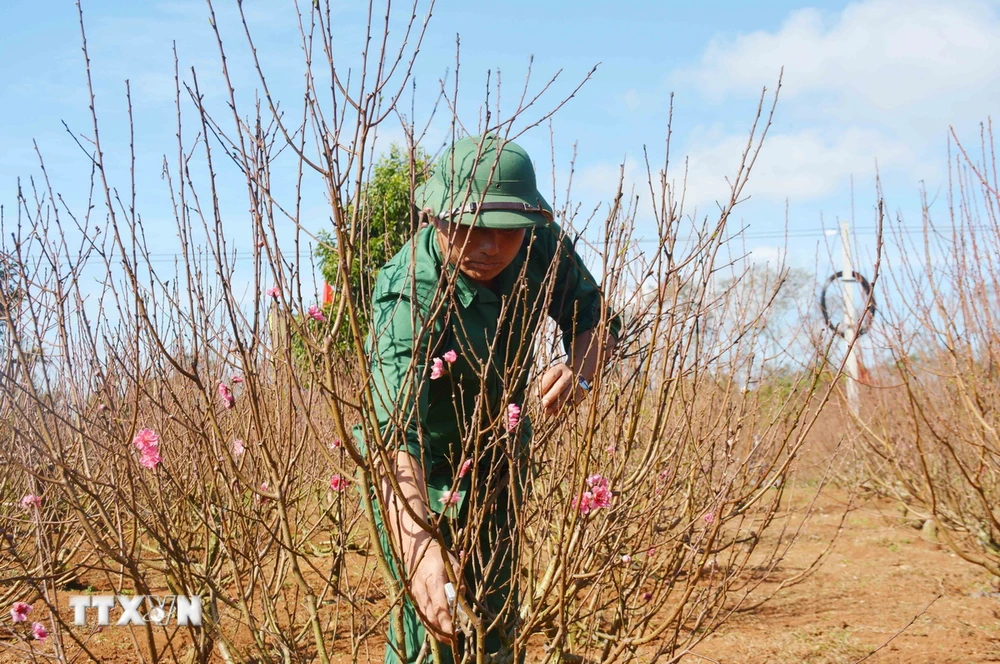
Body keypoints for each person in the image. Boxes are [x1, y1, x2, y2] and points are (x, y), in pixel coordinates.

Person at [357, 133, 621, 663]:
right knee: (429, 636)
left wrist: (581, 373)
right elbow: (395, 441)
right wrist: (420, 548)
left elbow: (597, 322)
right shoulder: (408, 297)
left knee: (495, 628)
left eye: (506, 231)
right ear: (433, 217)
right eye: (469, 226)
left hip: (499, 462)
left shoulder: (534, 241)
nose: (490, 246)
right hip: (422, 482)